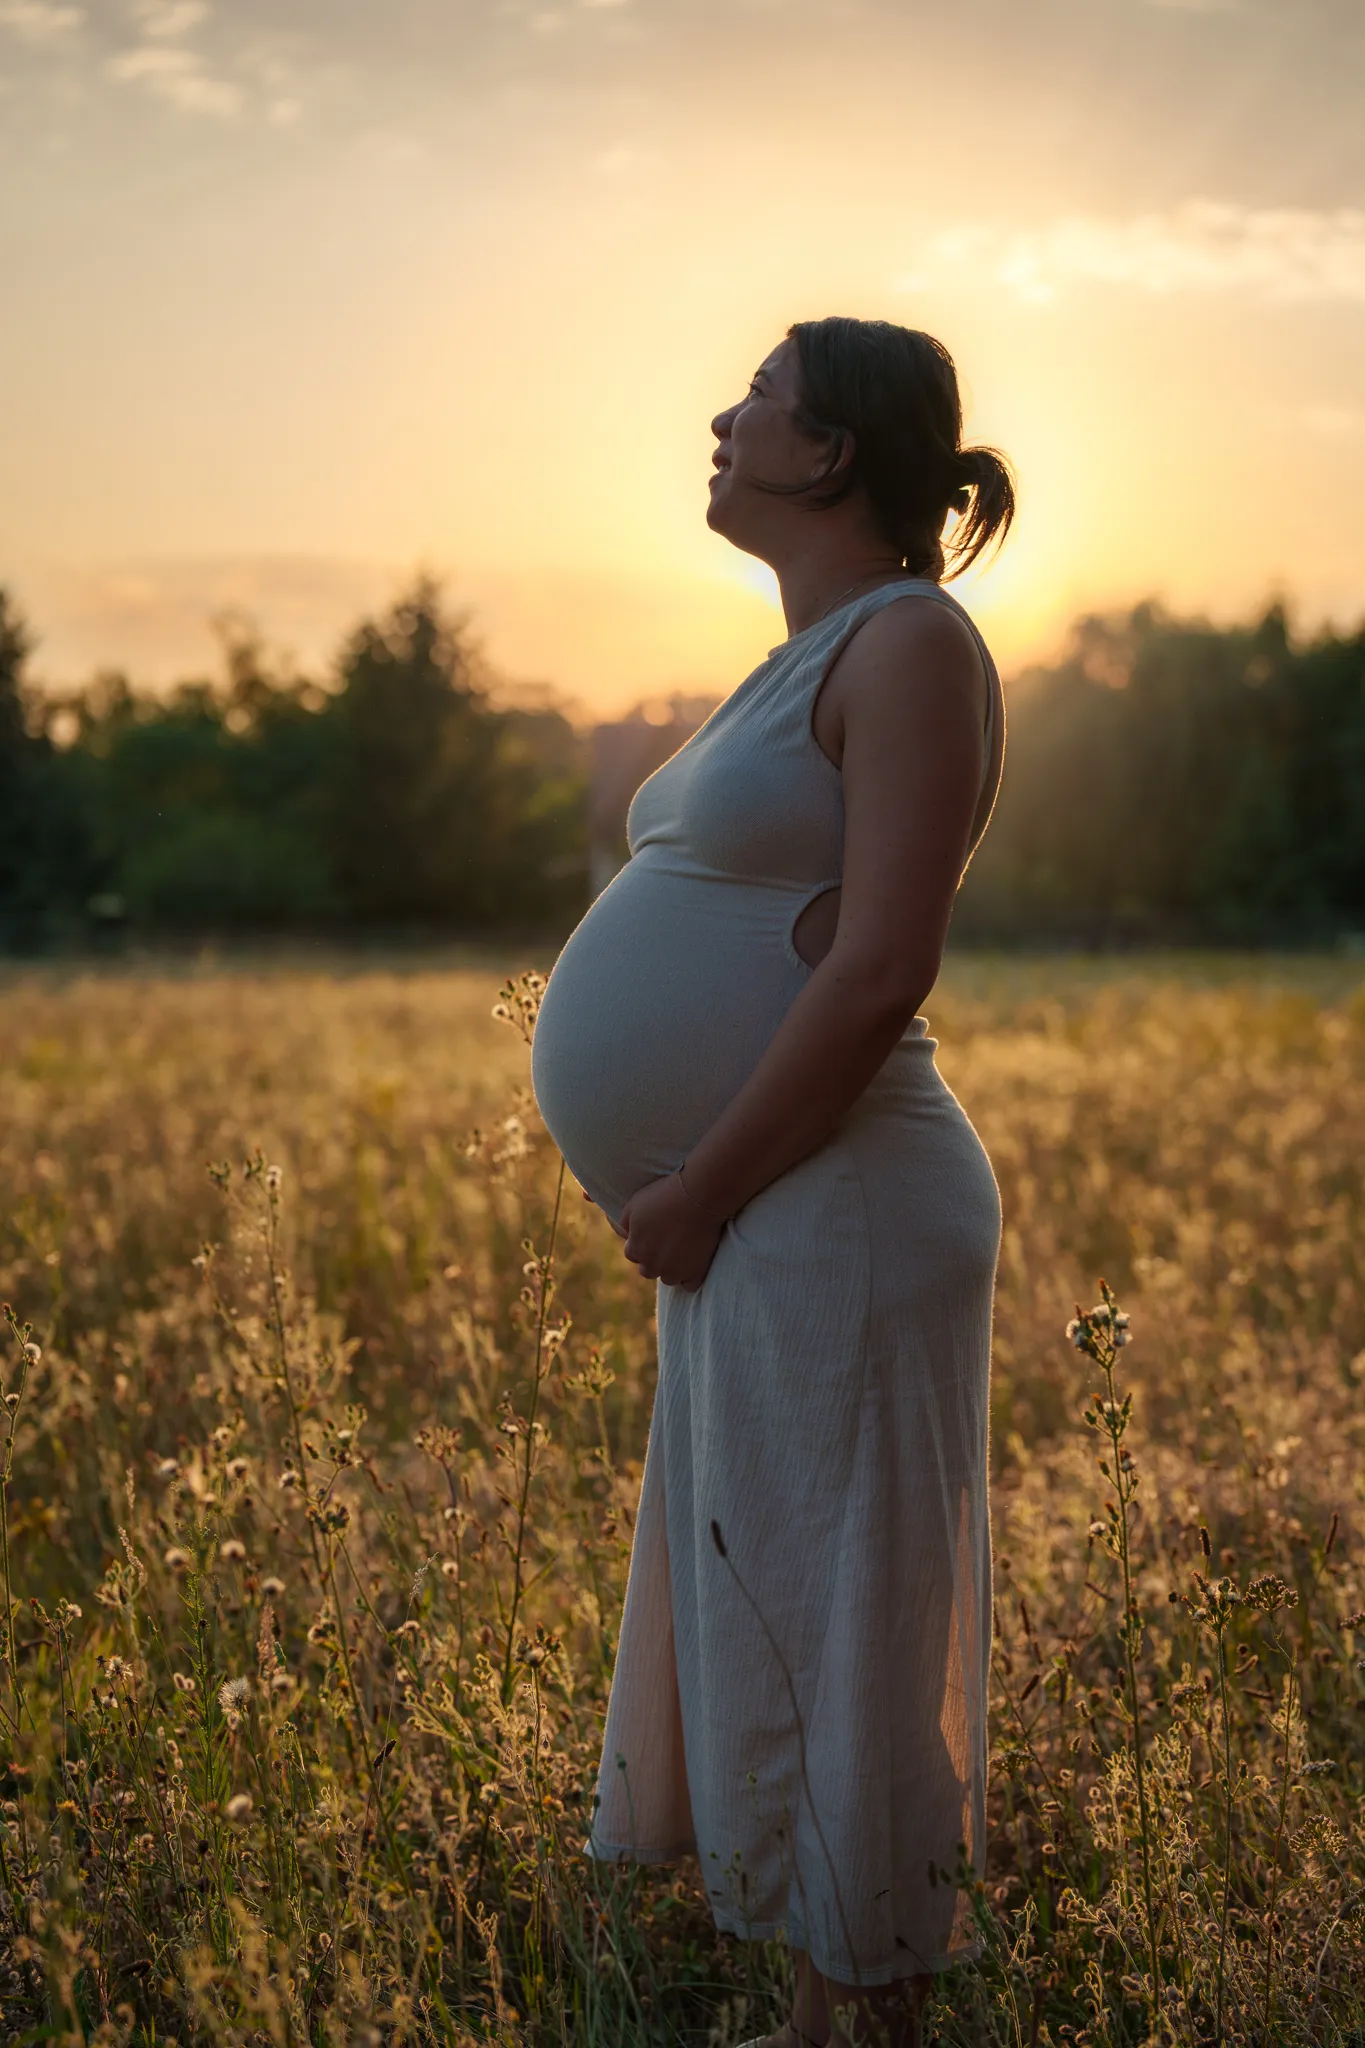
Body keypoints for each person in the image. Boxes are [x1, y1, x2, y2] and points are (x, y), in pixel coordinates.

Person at [531, 315, 1014, 2048]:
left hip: (832, 1195)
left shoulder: (910, 645)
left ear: (830, 457)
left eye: (760, 401)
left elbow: (885, 965)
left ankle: (861, 2015)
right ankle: (831, 2010)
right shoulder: (812, 653)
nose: (724, 422)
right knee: (792, 1592)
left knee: (846, 1609)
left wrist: (699, 1187)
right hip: (769, 1207)